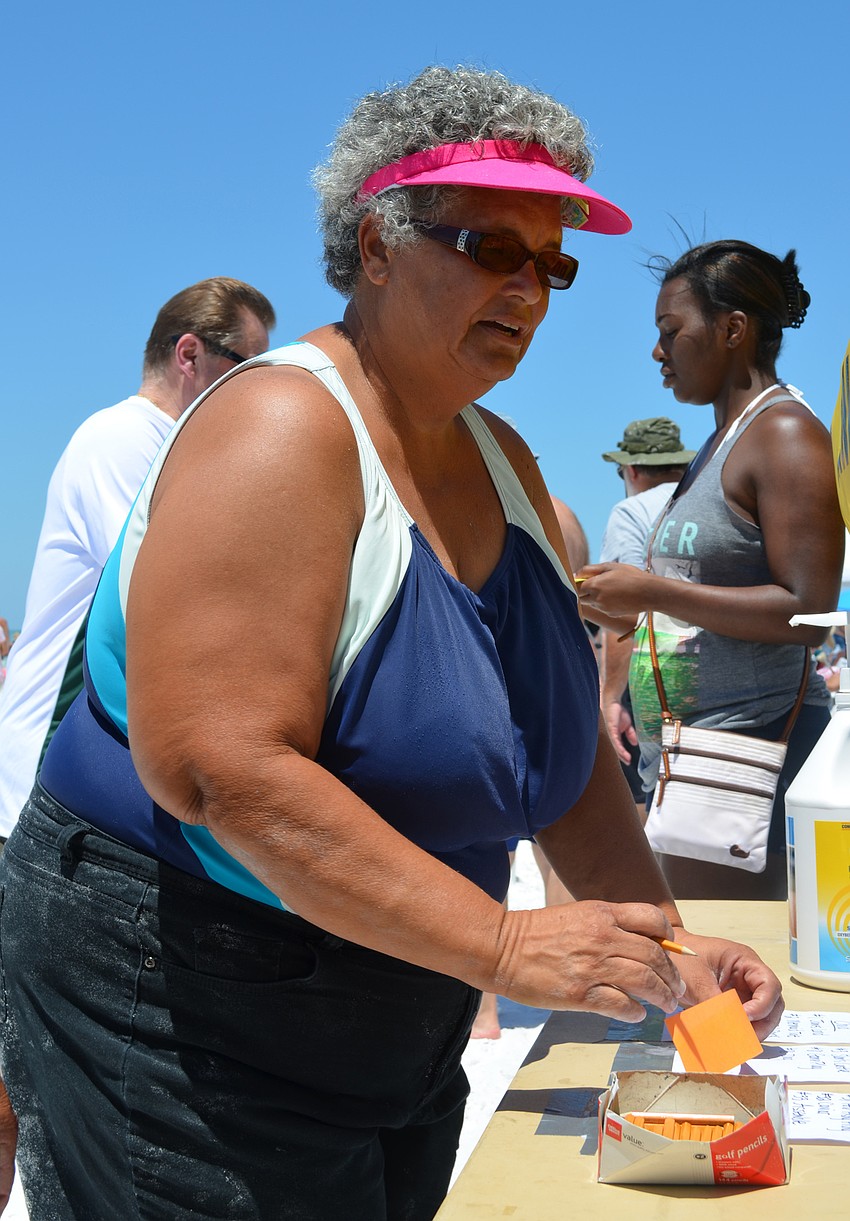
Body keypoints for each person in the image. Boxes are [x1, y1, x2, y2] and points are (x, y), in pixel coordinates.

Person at [0, 70, 782, 1221]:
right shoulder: (279, 430)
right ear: (374, 244)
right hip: (180, 1000)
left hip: (389, 992)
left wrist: (665, 952)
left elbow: (557, 763)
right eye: (488, 247)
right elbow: (219, 768)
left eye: (550, 263)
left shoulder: (506, 462)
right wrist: (505, 946)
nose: (528, 289)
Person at [577, 240, 845, 901]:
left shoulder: (784, 432)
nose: (657, 351)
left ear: (732, 329)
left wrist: (654, 589)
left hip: (753, 753)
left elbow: (810, 610)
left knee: (731, 980)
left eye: (672, 331)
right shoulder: (720, 442)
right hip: (699, 752)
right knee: (709, 972)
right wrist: (620, 604)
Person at [0, 278, 275, 841]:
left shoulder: (166, 447)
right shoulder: (124, 439)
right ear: (190, 354)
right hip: (40, 784)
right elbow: (177, 596)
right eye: (248, 370)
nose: (258, 393)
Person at [596, 419, 695, 810]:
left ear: (632, 470)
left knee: (648, 812)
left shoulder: (630, 512)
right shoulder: (709, 501)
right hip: (721, 681)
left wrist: (612, 696)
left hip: (660, 682)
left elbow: (629, 611)